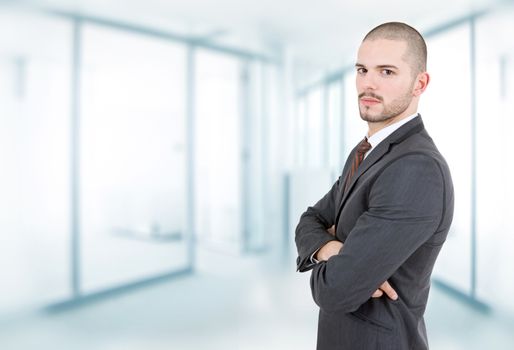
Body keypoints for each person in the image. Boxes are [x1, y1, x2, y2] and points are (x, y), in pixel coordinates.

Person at [295, 22, 454, 350]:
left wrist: (337, 262)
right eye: (362, 69)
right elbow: (309, 220)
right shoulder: (365, 151)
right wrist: (333, 249)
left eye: (386, 72)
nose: (368, 83)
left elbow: (335, 290)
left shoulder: (416, 168)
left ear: (419, 84)